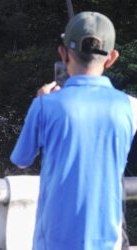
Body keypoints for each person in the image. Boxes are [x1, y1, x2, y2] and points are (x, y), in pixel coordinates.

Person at [10, 12, 137, 250]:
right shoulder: (131, 107)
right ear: (112, 59)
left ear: (63, 53)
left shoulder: (45, 105)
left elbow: (21, 160)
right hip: (109, 241)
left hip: (54, 242)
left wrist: (40, 103)